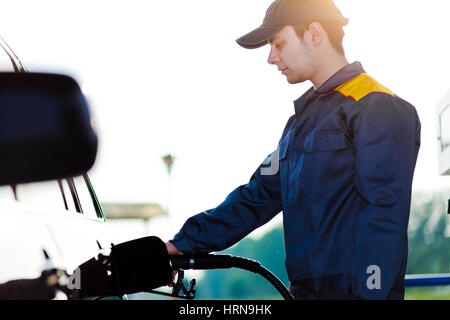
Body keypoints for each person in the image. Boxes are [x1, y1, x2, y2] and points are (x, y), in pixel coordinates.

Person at [166, 0, 421, 300]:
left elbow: (383, 215)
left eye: (279, 43)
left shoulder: (376, 107)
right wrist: (181, 244)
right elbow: (254, 198)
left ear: (314, 33)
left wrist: (370, 295)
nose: (271, 58)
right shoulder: (299, 124)